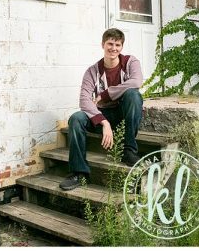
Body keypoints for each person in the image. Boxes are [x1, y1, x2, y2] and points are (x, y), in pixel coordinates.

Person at [60, 28, 144, 191]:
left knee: (133, 95)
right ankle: (79, 173)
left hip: (124, 114)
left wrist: (104, 95)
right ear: (103, 45)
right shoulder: (92, 71)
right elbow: (84, 100)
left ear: (122, 46)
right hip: (102, 115)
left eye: (117, 45)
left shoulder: (130, 62)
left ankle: (129, 151)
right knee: (76, 118)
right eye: (110, 44)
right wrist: (104, 123)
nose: (113, 48)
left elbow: (136, 82)